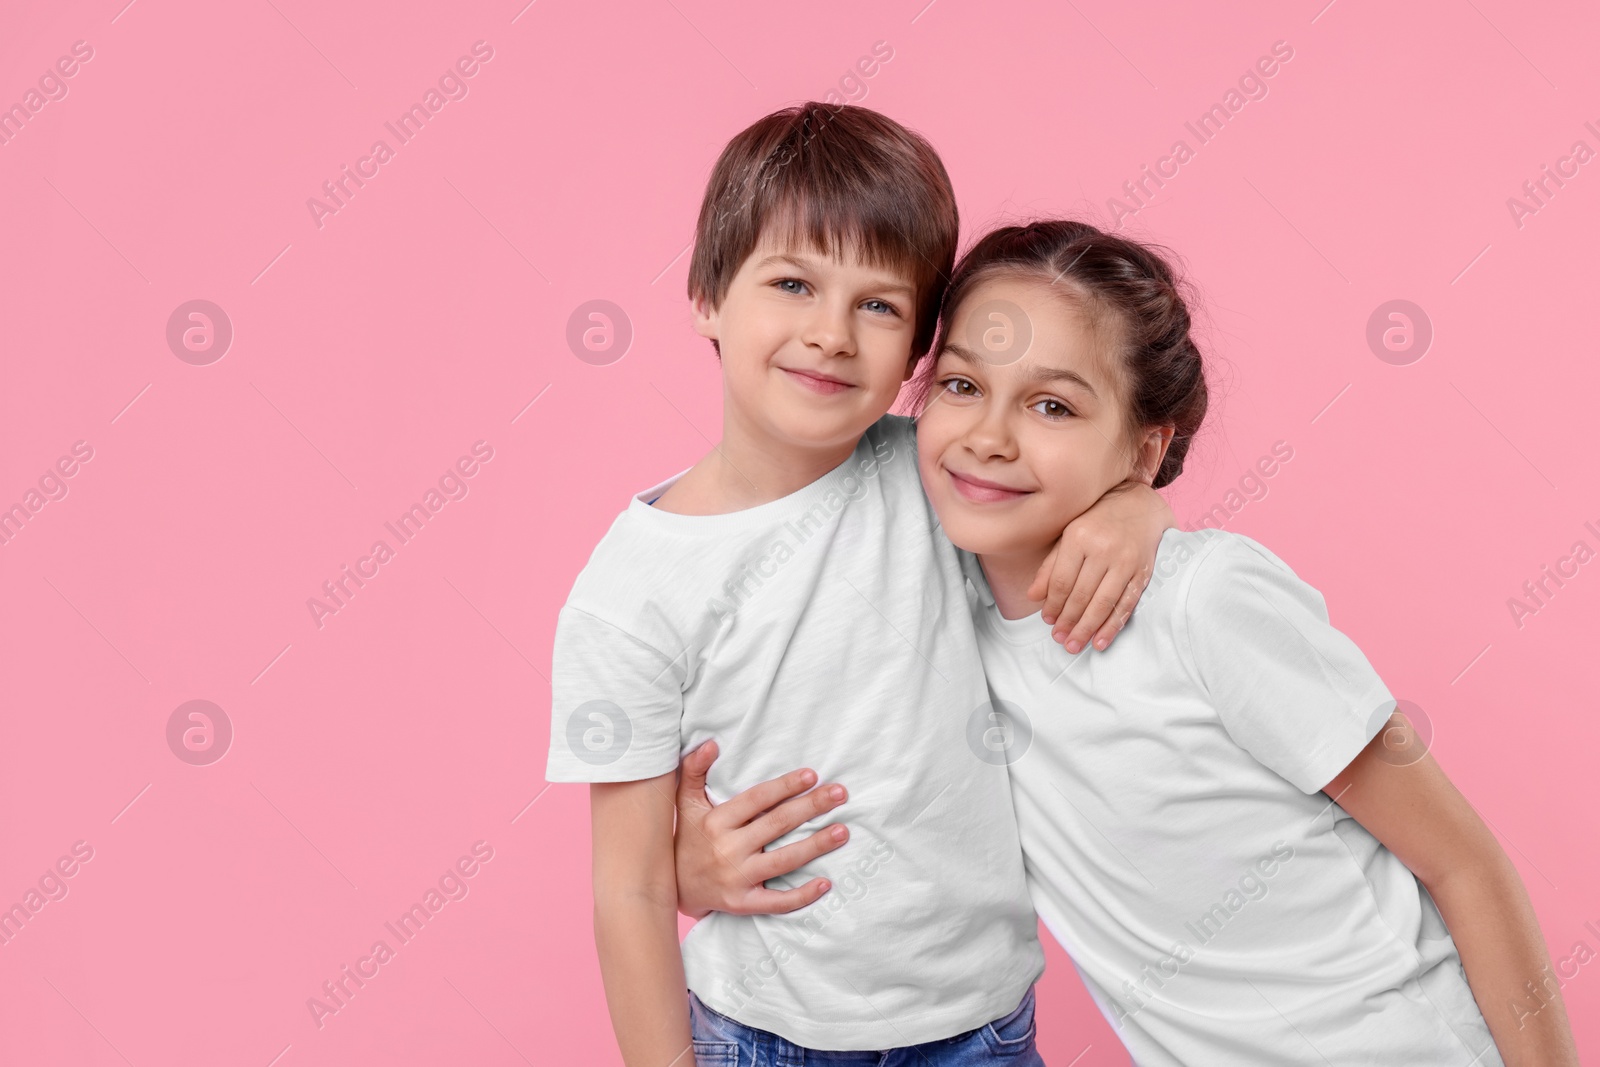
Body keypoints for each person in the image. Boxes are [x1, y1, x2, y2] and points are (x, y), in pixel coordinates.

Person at [676, 219, 1580, 1065]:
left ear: (1146, 450)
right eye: (960, 385)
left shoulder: (1207, 602)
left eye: (1054, 407)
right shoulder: (924, 597)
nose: (988, 436)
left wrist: (1143, 510)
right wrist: (685, 866)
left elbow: (1464, 862)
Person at [545, 109, 1175, 1067]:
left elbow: (1075, 470)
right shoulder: (629, 592)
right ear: (707, 296)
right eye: (793, 283)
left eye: (878, 306)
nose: (831, 334)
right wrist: (685, 872)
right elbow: (628, 889)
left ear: (922, 347)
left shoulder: (939, 473)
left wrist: (1137, 505)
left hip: (979, 1028)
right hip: (761, 1036)